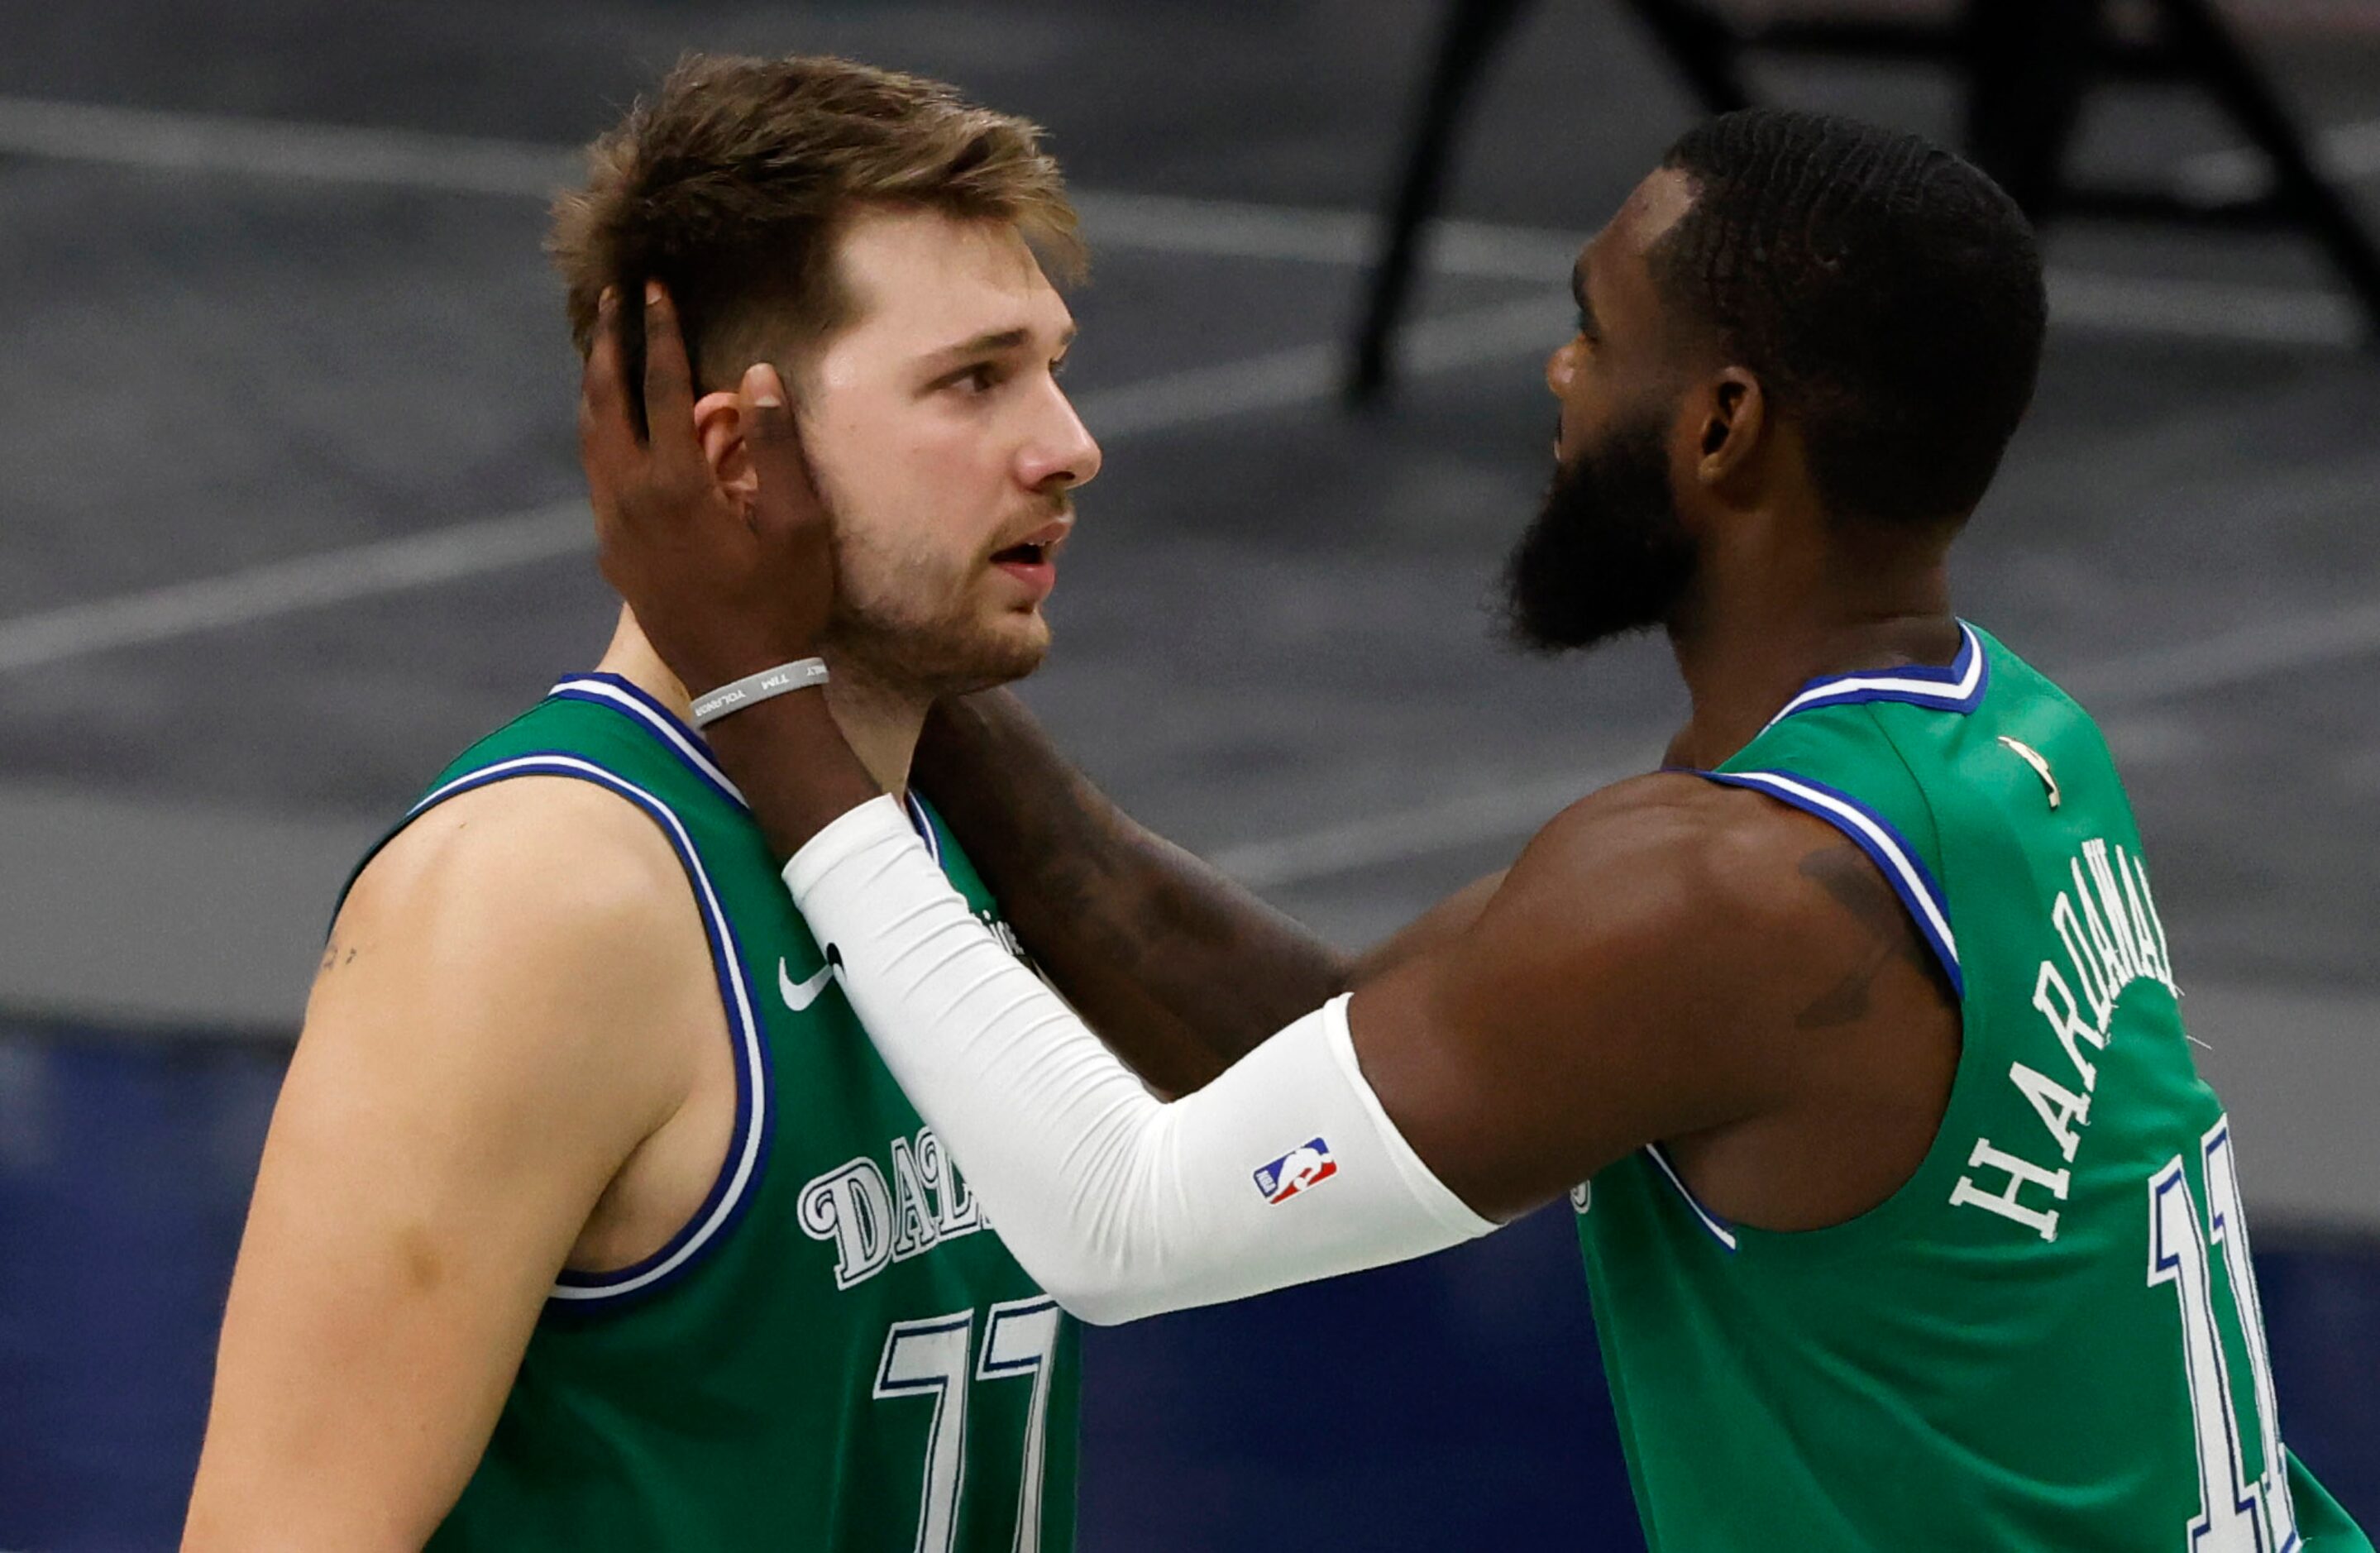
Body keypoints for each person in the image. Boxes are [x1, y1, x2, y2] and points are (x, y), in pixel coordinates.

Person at [586, 108, 2373, 1550]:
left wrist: (761, 696)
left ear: (1722, 424)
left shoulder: (1729, 898)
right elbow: (1311, 1046)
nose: (1554, 374)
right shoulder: (2005, 744)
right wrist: (893, 617)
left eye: (1597, 333)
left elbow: (1121, 1221)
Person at [184, 55, 1101, 1551]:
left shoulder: (938, 842)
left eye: (1054, 365)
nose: (1069, 442)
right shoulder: (542, 895)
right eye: (975, 379)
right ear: (738, 454)